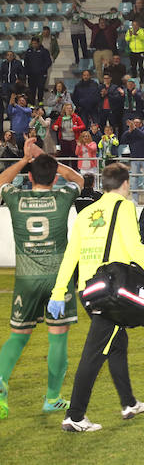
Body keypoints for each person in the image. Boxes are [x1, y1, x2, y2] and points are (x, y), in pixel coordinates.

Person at [49, 162, 144, 432]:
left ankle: (128, 403)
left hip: (89, 290)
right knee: (94, 354)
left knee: (117, 344)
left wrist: (59, 290)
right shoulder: (124, 206)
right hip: (110, 292)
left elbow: (70, 255)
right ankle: (75, 416)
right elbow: (133, 245)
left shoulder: (86, 213)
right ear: (124, 184)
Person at [0, 140, 83, 420]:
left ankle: (1, 385)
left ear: (31, 177)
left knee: (18, 336)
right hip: (58, 280)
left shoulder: (15, 198)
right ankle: (52, 397)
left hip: (26, 278)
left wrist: (25, 160)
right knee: (57, 338)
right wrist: (44, 159)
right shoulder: (63, 197)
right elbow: (79, 179)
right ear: (54, 176)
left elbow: (1, 180)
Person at [122, 117, 144, 190]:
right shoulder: (130, 131)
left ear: (141, 124)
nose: (135, 124)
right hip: (134, 158)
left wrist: (135, 129)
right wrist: (129, 131)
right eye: (134, 123)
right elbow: (123, 140)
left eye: (137, 123)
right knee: (134, 179)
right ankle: (135, 200)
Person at [52, 103, 84, 170]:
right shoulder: (60, 118)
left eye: (70, 108)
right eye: (67, 108)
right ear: (64, 110)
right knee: (64, 157)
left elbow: (83, 126)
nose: (69, 110)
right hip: (63, 140)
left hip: (73, 140)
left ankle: (75, 171)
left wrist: (74, 129)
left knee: (74, 156)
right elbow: (54, 126)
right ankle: (65, 171)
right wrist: (55, 127)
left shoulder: (76, 117)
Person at [23, 37, 52, 105]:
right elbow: (26, 62)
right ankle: (32, 102)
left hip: (41, 74)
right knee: (32, 89)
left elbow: (48, 62)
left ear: (39, 43)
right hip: (31, 74)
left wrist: (42, 69)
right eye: (32, 43)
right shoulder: (28, 51)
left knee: (40, 88)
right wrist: (27, 71)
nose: (34, 45)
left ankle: (40, 101)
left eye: (35, 43)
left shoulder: (44, 51)